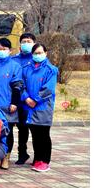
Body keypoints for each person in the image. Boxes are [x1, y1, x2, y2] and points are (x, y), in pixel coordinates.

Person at [21, 44, 58, 172]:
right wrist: (26, 98)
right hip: (29, 106)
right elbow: (21, 85)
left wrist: (36, 100)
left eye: (40, 52)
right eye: (35, 53)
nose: (38, 55)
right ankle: (37, 158)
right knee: (35, 134)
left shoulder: (51, 70)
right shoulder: (26, 69)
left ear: (46, 53)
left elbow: (48, 89)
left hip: (43, 106)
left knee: (44, 134)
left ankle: (45, 161)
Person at [0, 38, 24, 169]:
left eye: (4, 49)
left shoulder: (15, 66)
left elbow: (17, 85)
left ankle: (6, 156)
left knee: (7, 132)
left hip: (7, 105)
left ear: (10, 51)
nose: (1, 51)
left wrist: (14, 102)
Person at [12, 32, 37, 164]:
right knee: (21, 128)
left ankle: (38, 155)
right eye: (24, 42)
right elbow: (16, 81)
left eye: (29, 41)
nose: (26, 44)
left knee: (34, 128)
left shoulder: (37, 59)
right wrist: (24, 96)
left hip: (34, 101)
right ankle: (22, 153)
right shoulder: (14, 60)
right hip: (19, 100)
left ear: (34, 44)